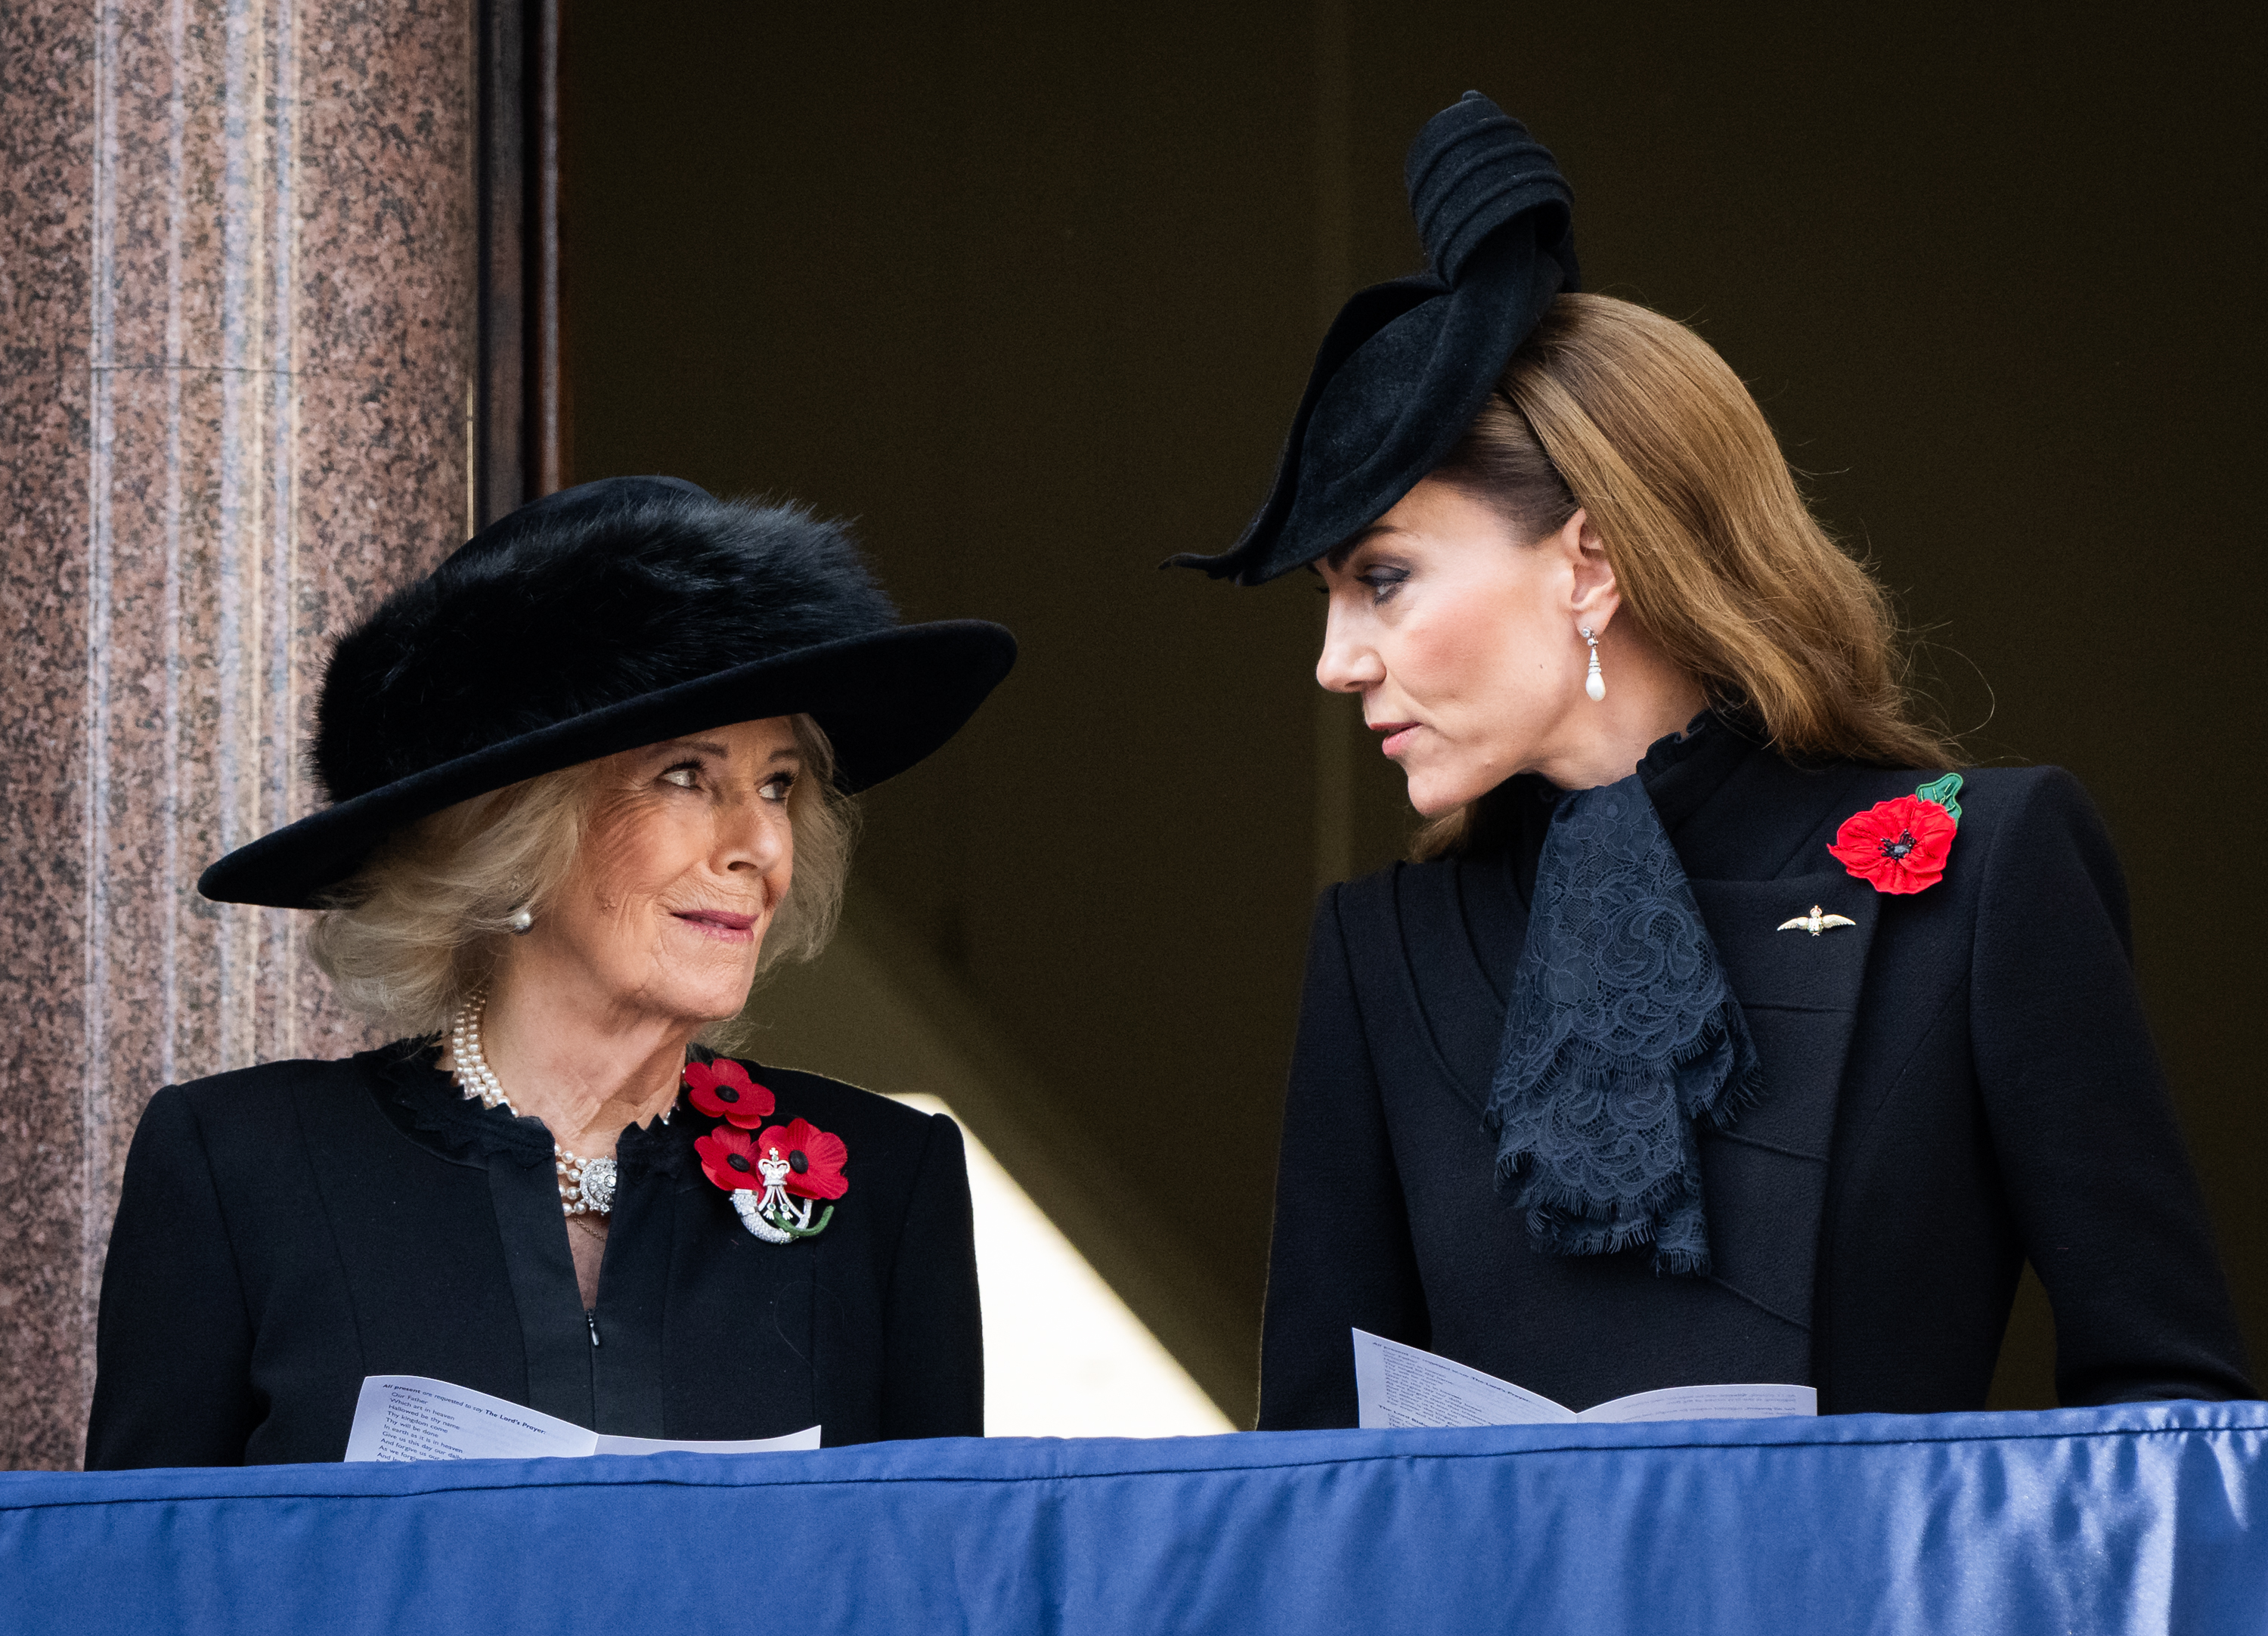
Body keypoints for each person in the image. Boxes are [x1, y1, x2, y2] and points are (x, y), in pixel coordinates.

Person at [1175, 95, 2252, 1424]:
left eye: (1382, 579)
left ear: (1591, 560)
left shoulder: (1989, 869)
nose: (1336, 662)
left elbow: (2168, 1407)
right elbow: (1317, 1465)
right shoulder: (1379, 946)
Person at [85, 477, 1015, 1466]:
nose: (762, 846)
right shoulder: (242, 1167)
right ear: (513, 838)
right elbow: (145, 1550)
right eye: (687, 777)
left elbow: (936, 1556)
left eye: (778, 785)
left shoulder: (884, 1183)